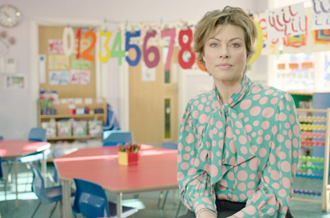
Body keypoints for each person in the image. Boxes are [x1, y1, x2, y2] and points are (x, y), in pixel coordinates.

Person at [177, 6, 301, 218]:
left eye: (234, 45)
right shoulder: (195, 108)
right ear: (203, 55)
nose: (224, 53)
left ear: (247, 53)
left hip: (262, 213)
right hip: (206, 209)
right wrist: (204, 210)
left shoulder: (278, 104)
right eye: (214, 45)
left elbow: (278, 184)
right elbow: (190, 174)